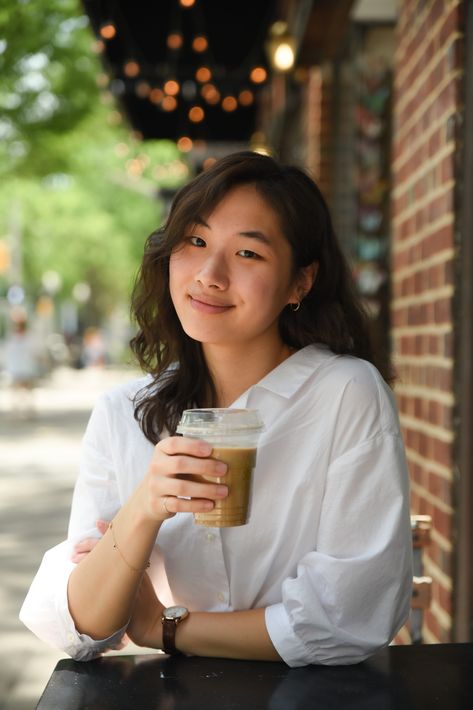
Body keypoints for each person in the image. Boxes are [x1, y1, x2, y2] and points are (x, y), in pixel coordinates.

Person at [20, 151, 412, 667]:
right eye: (196, 242)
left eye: (248, 254)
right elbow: (83, 628)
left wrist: (165, 628)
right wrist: (143, 509)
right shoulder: (124, 413)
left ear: (301, 281)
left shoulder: (344, 394)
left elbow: (350, 615)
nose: (209, 274)